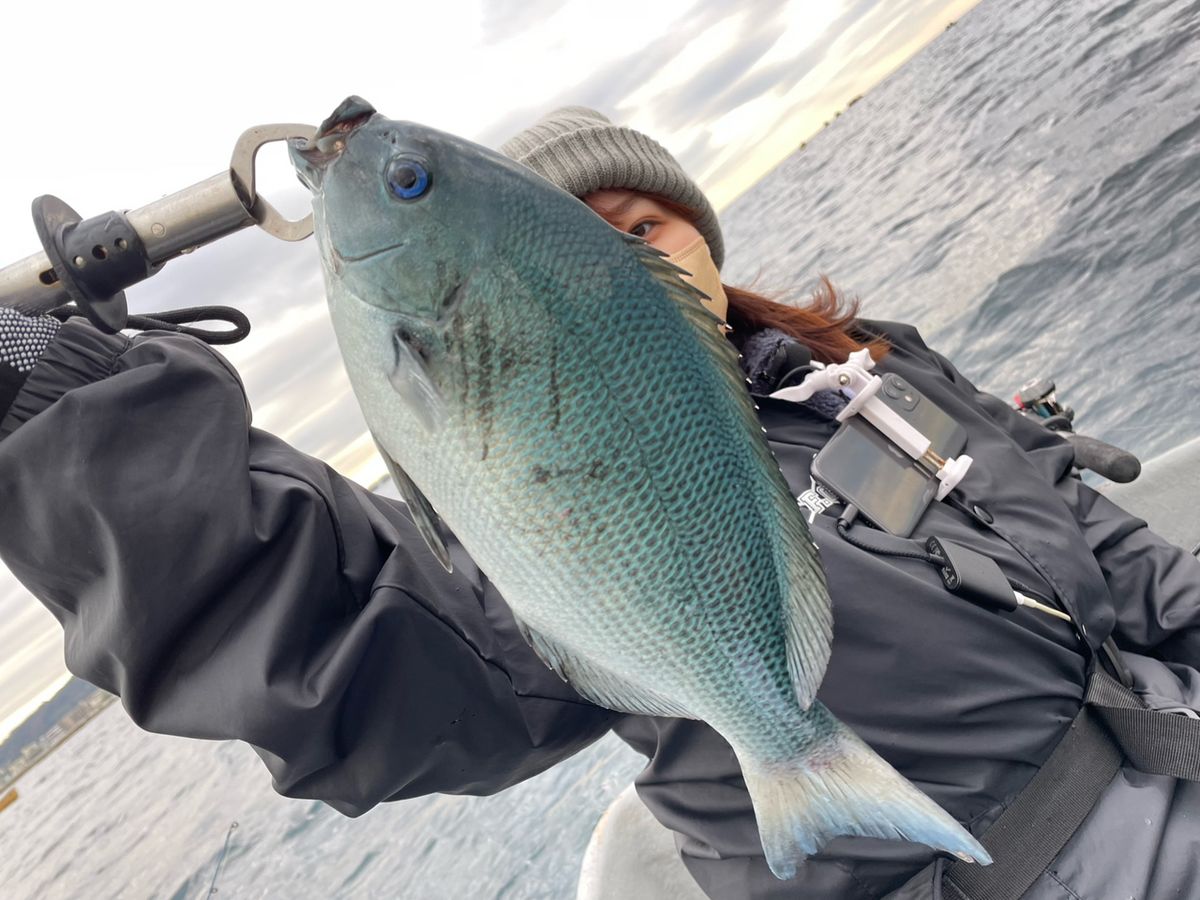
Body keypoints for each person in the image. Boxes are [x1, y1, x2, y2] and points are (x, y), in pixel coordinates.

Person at [1, 106, 1197, 900]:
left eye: (648, 226)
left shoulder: (868, 369)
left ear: (699, 234)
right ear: (537, 276)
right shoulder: (527, 501)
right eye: (594, 239)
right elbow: (346, 651)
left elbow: (1103, 549)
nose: (633, 254)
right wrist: (74, 416)